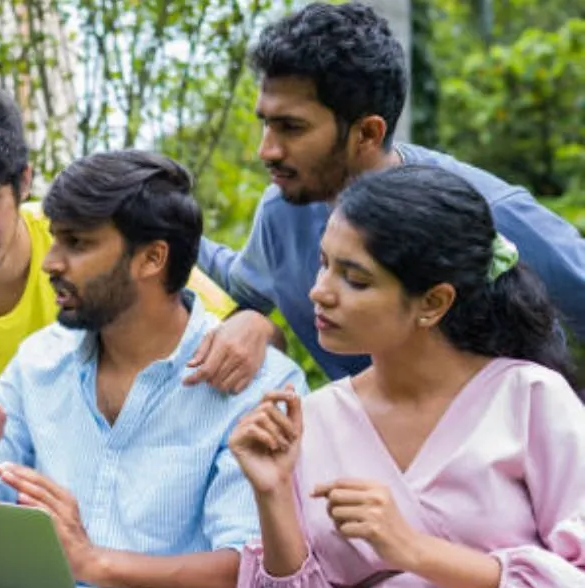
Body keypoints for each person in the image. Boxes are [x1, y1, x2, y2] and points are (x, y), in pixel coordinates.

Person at [0, 150, 308, 588]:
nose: (51, 261)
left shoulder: (257, 383)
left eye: (77, 243)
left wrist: (91, 563)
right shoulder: (39, 361)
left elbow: (244, 575)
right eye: (56, 238)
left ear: (151, 259)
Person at [230, 165, 585, 588]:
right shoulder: (313, 420)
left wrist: (414, 550)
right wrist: (272, 491)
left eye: (354, 279)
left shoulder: (529, 398)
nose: (319, 292)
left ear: (434, 302)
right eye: (323, 265)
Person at [0, 77, 257, 470]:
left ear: (23, 181)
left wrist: (252, 325)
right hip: (1, 508)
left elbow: (228, 329)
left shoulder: (89, 239)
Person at [194, 1, 585, 383]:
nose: (267, 150)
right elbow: (240, 287)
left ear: (368, 132)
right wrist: (253, 321)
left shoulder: (487, 213)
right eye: (265, 123)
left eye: (291, 127)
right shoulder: (284, 212)